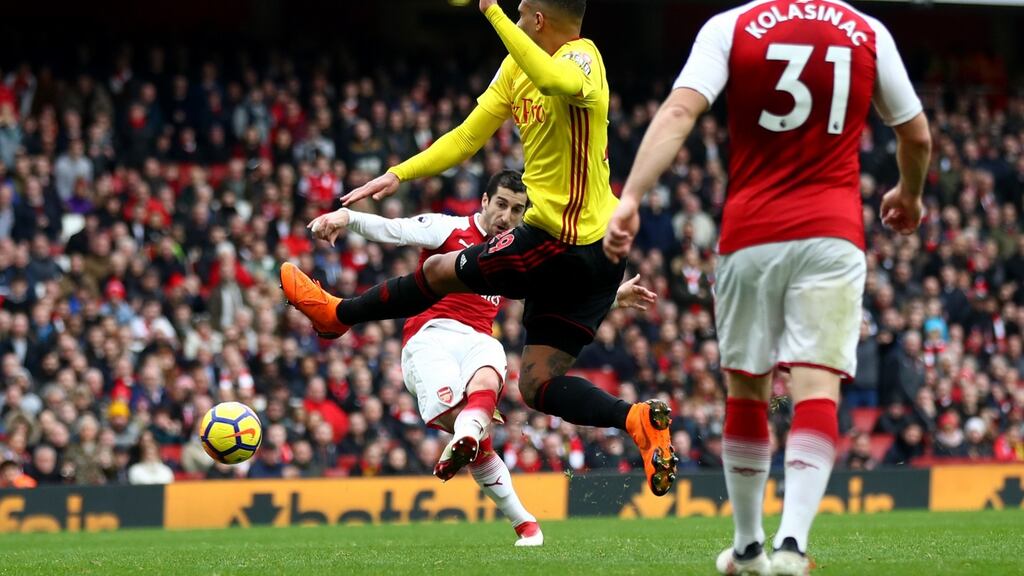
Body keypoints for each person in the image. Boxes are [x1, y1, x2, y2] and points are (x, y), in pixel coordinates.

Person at [281, 0, 677, 497]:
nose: (512, 13)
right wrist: (396, 174)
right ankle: (638, 420)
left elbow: (554, 81)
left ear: (535, 20)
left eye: (519, 9)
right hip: (590, 259)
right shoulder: (516, 67)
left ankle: (338, 315)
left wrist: (489, 12)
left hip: (563, 237)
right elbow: (467, 137)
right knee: (536, 384)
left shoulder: (584, 59)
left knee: (444, 267)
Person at [602, 1, 931, 574]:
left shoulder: (729, 26)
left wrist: (630, 196)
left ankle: (749, 546)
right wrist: (910, 194)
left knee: (748, 389)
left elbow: (680, 112)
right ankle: (793, 545)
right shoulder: (867, 32)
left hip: (750, 232)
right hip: (833, 234)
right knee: (816, 388)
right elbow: (918, 137)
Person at [309, 169, 657, 546]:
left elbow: (559, 297)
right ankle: (482, 455)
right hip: (430, 339)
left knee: (493, 358)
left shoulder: (514, 254)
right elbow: (395, 230)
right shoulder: (448, 228)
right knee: (462, 417)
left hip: (476, 341)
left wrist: (612, 296)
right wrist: (345, 217)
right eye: (501, 205)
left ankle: (523, 520)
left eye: (517, 210)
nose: (506, 217)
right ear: (485, 202)